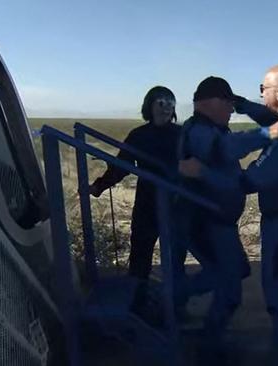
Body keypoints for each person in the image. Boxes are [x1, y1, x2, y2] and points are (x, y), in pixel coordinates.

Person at [181, 64, 278, 366]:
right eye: (228, 103)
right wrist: (246, 107)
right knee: (255, 287)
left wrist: (203, 171)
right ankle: (176, 302)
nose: (259, 94)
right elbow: (267, 121)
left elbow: (248, 181)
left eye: (263, 89)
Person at [88, 86, 180, 315]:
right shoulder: (139, 135)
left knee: (176, 256)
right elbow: (120, 167)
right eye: (161, 102)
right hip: (148, 201)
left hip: (177, 202)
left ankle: (177, 306)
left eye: (171, 103)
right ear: (150, 105)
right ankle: (137, 304)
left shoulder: (182, 134)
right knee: (140, 254)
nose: (167, 107)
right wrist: (98, 186)